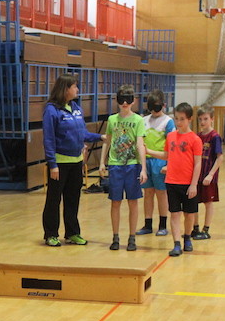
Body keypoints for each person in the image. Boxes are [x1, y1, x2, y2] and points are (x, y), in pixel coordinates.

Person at [41, 73, 105, 247]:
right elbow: (49, 139)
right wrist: (52, 164)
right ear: (66, 89)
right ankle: (51, 234)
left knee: (73, 198)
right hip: (59, 163)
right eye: (74, 86)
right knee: (54, 200)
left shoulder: (76, 108)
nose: (77, 89)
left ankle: (72, 233)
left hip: (76, 161)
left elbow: (82, 133)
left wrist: (100, 137)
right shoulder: (51, 110)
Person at [99, 84, 147, 251]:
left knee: (133, 202)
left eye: (127, 100)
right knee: (115, 202)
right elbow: (108, 141)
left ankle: (132, 237)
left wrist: (143, 168)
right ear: (117, 101)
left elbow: (140, 144)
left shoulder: (138, 120)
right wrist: (102, 162)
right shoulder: (112, 120)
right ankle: (115, 237)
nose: (124, 103)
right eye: (121, 100)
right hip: (115, 165)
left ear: (133, 101)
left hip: (132, 165)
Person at [151, 102, 202, 257]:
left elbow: (198, 163)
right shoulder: (171, 136)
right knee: (174, 213)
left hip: (188, 183)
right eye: (176, 119)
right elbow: (167, 155)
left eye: (182, 119)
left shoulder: (195, 139)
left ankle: (187, 237)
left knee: (189, 214)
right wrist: (149, 151)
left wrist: (193, 184)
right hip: (172, 181)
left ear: (190, 119)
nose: (178, 122)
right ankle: (176, 244)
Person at [137, 89, 175, 237]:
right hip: (146, 161)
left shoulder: (168, 121)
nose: (153, 111)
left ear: (163, 105)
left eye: (157, 108)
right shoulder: (144, 120)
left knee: (161, 193)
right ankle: (147, 224)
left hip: (160, 161)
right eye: (151, 108)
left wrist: (168, 164)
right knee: (148, 193)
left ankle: (162, 225)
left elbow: (172, 145)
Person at [191, 105, 223, 240]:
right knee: (193, 201)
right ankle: (195, 228)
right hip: (197, 175)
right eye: (200, 119)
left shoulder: (215, 137)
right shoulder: (197, 136)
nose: (202, 122)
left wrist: (210, 174)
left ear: (212, 119)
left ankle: (206, 229)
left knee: (208, 202)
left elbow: (220, 157)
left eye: (205, 119)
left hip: (208, 176)